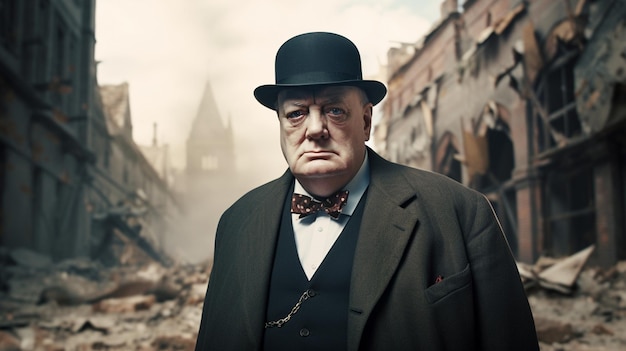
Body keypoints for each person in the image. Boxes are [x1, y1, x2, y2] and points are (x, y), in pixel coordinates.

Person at [194, 32, 539, 351]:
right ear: (281, 125)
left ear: (366, 121)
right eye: (297, 113)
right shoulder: (236, 223)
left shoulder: (461, 212)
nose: (315, 129)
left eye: (334, 110)